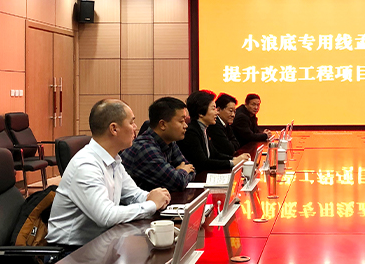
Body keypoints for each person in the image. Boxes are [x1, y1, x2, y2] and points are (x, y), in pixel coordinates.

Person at [47, 99, 172, 250]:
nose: (135, 127)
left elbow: (133, 194)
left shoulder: (113, 160)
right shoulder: (86, 165)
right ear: (114, 129)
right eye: (131, 122)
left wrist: (156, 197)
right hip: (70, 252)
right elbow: (105, 216)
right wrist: (151, 204)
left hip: (101, 243)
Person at [121, 97, 195, 192]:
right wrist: (183, 171)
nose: (185, 125)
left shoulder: (170, 142)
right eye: (181, 121)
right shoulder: (145, 148)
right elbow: (177, 182)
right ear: (162, 124)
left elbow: (191, 169)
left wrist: (179, 172)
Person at [178, 90, 250, 171]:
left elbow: (215, 154)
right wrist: (232, 162)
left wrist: (235, 159)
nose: (217, 113)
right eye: (213, 109)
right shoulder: (191, 132)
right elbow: (203, 163)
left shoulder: (203, 128)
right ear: (201, 113)